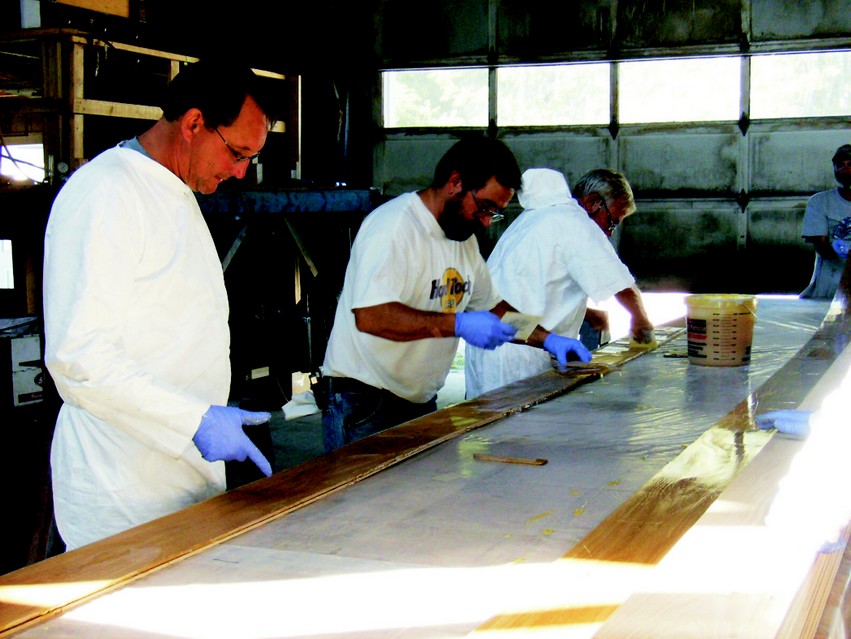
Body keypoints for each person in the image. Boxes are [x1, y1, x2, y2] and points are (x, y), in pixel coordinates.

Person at [43, 60, 278, 550]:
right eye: (237, 152)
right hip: (122, 493)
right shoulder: (107, 192)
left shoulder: (172, 189)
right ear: (193, 123)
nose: (240, 172)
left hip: (181, 479)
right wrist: (195, 421)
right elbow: (79, 360)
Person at [319, 136, 591, 452]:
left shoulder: (463, 241)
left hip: (418, 401)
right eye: (485, 207)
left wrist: (549, 340)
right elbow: (371, 316)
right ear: (455, 182)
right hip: (364, 401)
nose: (488, 222)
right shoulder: (394, 228)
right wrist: (457, 324)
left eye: (496, 212)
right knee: (360, 501)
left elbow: (496, 309)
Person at [465, 167, 654, 399]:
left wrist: (586, 314)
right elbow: (619, 283)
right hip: (519, 356)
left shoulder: (534, 220)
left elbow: (531, 289)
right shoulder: (574, 222)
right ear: (594, 203)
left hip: (491, 348)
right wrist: (641, 323)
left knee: (491, 427)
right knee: (520, 430)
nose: (610, 233)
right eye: (613, 222)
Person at [800, 144, 851, 299]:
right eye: (840, 165)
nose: (845, 170)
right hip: (831, 284)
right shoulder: (820, 202)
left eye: (850, 165)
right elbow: (821, 246)